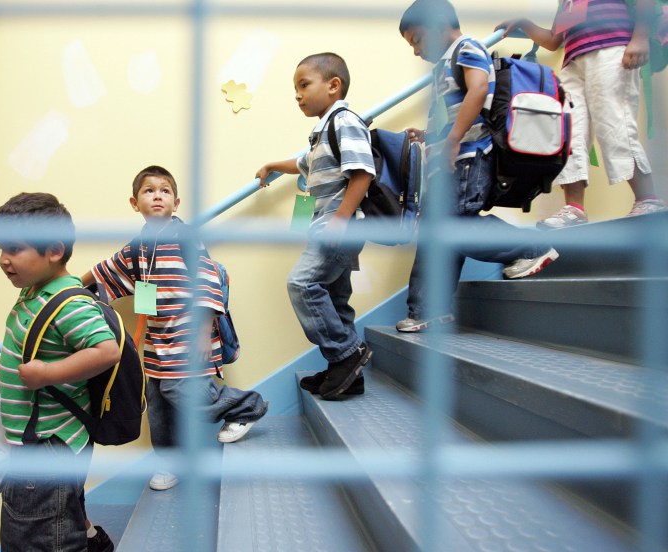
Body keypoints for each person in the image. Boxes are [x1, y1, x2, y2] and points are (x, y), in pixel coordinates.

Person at [82, 165, 268, 492]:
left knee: (180, 390)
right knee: (158, 405)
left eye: (165, 191)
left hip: (189, 334)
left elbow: (207, 279)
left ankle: (247, 406)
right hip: (158, 341)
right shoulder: (139, 246)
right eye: (149, 191)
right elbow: (106, 271)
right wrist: (70, 286)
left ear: (176, 202)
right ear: (134, 202)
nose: (157, 196)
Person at [396, 0, 560, 333]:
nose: (416, 50)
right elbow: (453, 113)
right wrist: (429, 135)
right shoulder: (443, 65)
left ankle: (532, 248)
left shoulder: (467, 47)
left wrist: (454, 140)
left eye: (417, 40)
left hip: (469, 157)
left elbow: (479, 89)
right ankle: (427, 309)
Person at [0, 192, 120, 552]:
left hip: (48, 449)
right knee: (57, 522)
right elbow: (38, 341)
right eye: (0, 248)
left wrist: (46, 373)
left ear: (54, 250)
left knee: (36, 538)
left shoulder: (67, 304)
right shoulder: (36, 291)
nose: (3, 260)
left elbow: (107, 350)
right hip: (49, 444)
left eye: (14, 249)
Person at [255, 52, 375, 400]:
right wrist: (271, 166)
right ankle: (348, 374)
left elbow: (363, 173)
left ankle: (346, 354)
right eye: (296, 88)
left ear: (333, 85)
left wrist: (340, 220)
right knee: (336, 299)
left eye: (304, 85)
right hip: (333, 223)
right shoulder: (322, 132)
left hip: (339, 224)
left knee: (302, 283)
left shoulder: (345, 121)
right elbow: (302, 163)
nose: (298, 95)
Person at [497, 0, 667, 229]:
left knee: (615, 124)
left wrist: (640, 39)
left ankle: (648, 200)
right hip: (573, 63)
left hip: (612, 50)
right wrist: (524, 23)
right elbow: (553, 41)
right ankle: (574, 208)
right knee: (569, 135)